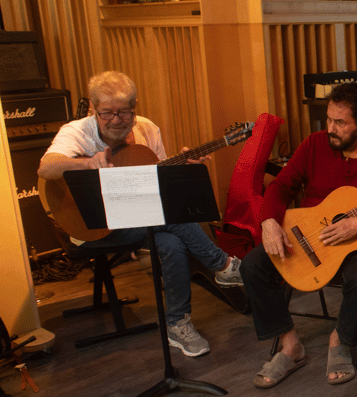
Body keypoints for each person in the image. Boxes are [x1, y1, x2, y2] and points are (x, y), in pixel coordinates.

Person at [37, 70, 243, 357]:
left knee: (171, 241)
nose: (115, 120)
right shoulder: (77, 131)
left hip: (141, 218)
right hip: (93, 228)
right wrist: (86, 163)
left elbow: (160, 184)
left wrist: (185, 168)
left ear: (134, 106)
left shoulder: (147, 130)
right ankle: (222, 265)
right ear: (94, 108)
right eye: (106, 113)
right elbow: (46, 167)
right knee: (170, 219)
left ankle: (177, 324)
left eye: (123, 112)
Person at [240, 83, 357, 388]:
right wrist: (268, 221)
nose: (330, 129)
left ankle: (340, 340)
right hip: (307, 235)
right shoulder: (314, 145)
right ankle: (290, 346)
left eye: (340, 122)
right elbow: (281, 186)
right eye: (328, 119)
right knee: (252, 266)